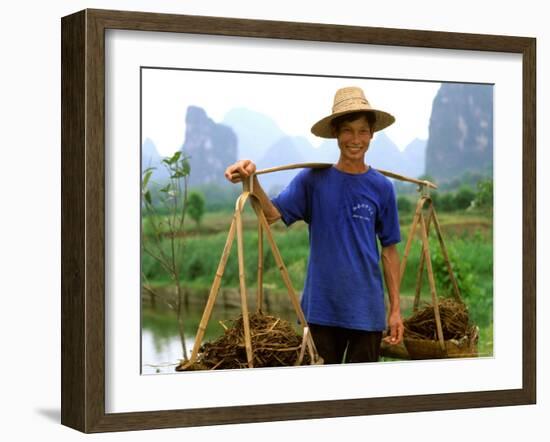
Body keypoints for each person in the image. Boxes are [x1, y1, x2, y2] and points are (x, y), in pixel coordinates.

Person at [224, 86, 404, 364]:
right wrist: (251, 179)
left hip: (366, 313)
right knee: (320, 394)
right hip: (321, 312)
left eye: (362, 131)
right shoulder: (313, 179)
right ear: (335, 133)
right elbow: (272, 215)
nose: (355, 139)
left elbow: (389, 250)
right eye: (347, 130)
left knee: (362, 399)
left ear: (372, 134)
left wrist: (395, 310)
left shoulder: (382, 188)